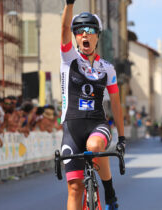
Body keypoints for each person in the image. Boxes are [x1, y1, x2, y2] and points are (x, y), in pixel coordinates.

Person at [60, 1, 125, 209]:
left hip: (97, 124)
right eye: (79, 31)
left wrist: (122, 138)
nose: (84, 35)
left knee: (95, 146)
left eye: (89, 31)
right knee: (74, 188)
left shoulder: (108, 68)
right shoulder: (69, 59)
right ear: (75, 36)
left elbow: (115, 103)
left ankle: (110, 192)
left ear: (98, 36)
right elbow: (63, 30)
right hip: (72, 127)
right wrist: (69, 5)